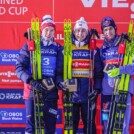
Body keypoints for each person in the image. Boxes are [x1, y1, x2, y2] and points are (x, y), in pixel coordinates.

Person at [15, 15, 63, 134]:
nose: (49, 33)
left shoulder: (58, 48)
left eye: (52, 30)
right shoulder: (30, 45)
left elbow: (60, 71)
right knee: (31, 126)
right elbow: (19, 68)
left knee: (50, 127)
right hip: (32, 91)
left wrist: (59, 83)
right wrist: (31, 81)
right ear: (41, 30)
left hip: (50, 93)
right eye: (46, 29)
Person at [60, 17, 103, 134]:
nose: (80, 33)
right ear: (74, 32)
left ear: (87, 32)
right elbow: (59, 71)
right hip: (71, 95)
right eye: (78, 30)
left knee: (89, 127)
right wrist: (61, 83)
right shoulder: (66, 49)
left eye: (83, 30)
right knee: (70, 126)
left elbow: (98, 73)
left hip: (88, 95)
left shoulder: (93, 49)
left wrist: (97, 89)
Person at [100, 16, 134, 134]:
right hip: (107, 92)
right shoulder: (102, 49)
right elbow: (99, 70)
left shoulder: (127, 44)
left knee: (122, 125)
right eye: (105, 30)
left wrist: (120, 70)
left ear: (115, 28)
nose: (108, 32)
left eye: (110, 28)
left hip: (123, 89)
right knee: (106, 122)